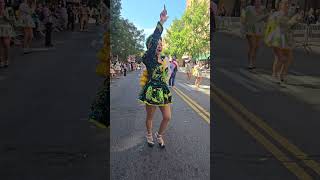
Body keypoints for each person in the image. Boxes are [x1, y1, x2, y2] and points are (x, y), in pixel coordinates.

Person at [138, 6, 171, 148]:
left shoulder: (165, 58)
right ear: (150, 46)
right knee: (150, 117)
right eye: (157, 43)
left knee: (167, 117)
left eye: (161, 43)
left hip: (163, 89)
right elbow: (154, 39)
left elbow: (167, 74)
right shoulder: (147, 57)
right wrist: (161, 22)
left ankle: (159, 135)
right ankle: (149, 134)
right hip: (152, 90)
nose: (160, 45)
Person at [264, 0, 302, 83]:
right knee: (280, 58)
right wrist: (293, 20)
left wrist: (296, 21)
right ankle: (274, 74)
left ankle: (282, 74)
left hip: (287, 39)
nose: (287, 5)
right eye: (285, 3)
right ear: (280, 5)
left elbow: (291, 27)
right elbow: (285, 25)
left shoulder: (288, 15)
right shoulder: (277, 14)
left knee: (289, 57)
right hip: (277, 39)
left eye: (289, 4)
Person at [241, 0, 269, 70]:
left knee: (257, 47)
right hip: (250, 30)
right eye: (256, 1)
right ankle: (250, 63)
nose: (258, 2)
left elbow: (266, 20)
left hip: (259, 30)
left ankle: (253, 62)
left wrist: (266, 17)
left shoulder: (263, 9)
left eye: (259, 1)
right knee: (252, 46)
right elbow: (244, 18)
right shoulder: (249, 8)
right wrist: (244, 27)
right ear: (254, 2)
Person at [0, 0, 15, 68]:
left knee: (6, 45)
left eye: (2, 2)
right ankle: (1, 61)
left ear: (4, 3)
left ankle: (7, 60)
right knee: (1, 46)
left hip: (6, 28)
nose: (1, 3)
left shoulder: (9, 9)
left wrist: (5, 15)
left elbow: (12, 20)